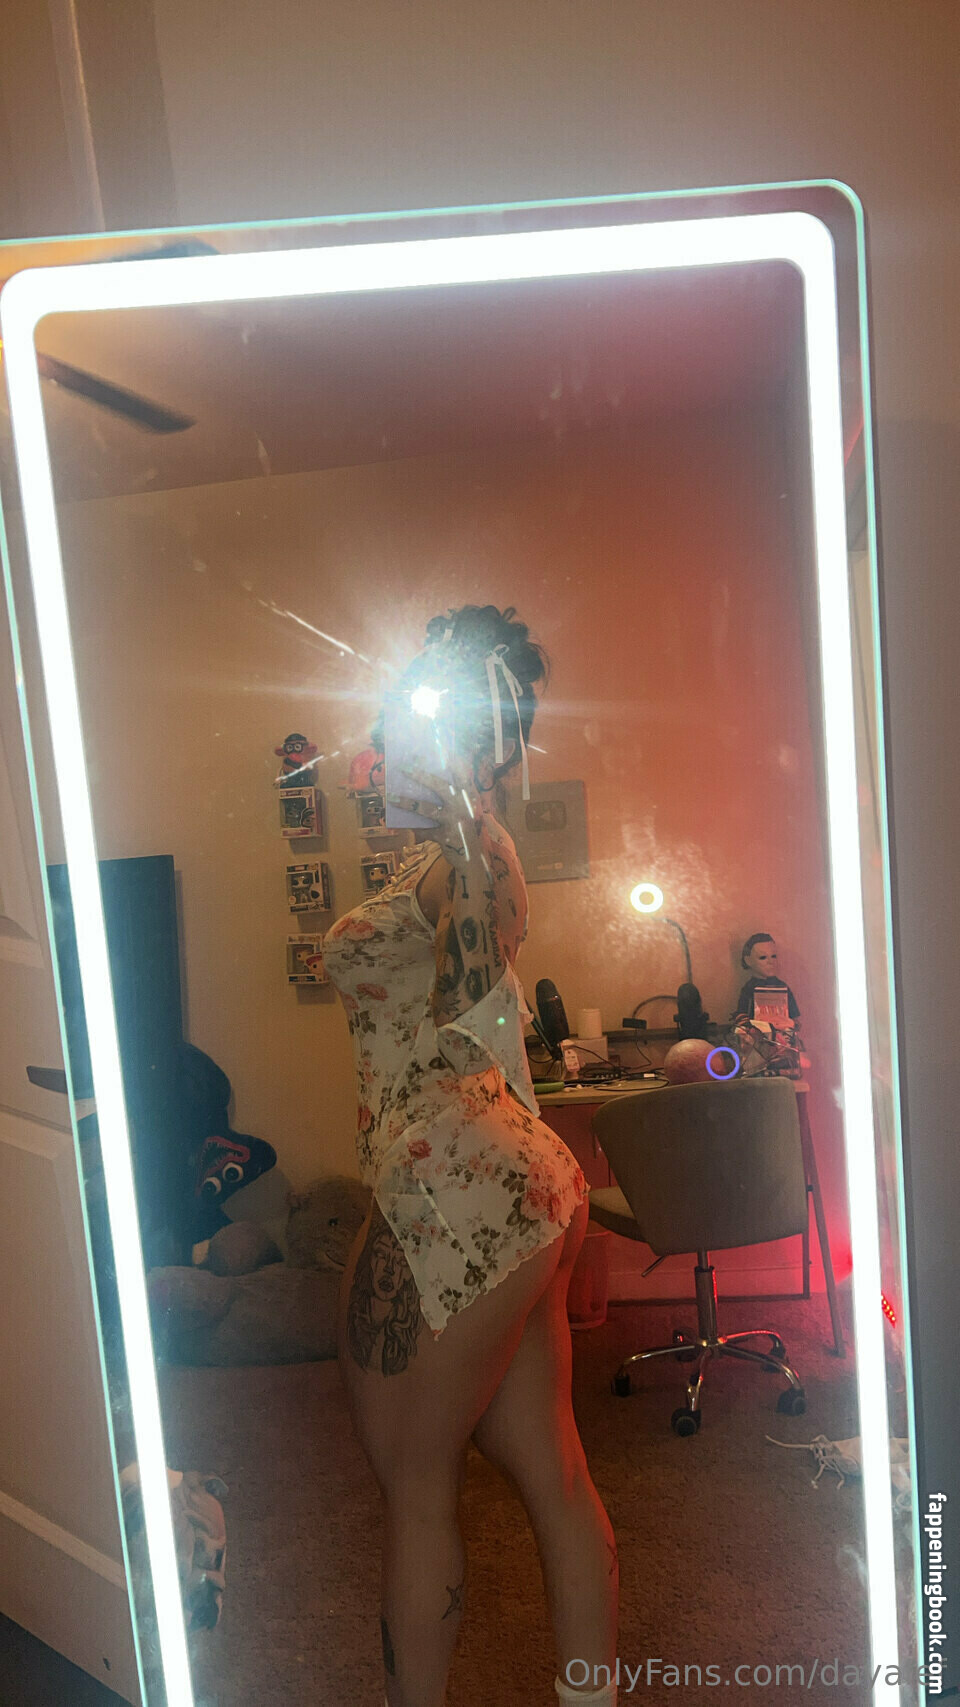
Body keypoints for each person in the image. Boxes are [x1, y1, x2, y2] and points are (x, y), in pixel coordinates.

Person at [323, 605, 619, 1707]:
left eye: (406, 726)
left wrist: (460, 812)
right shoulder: (450, 852)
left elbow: (468, 990)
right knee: (556, 1472)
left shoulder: (472, 850)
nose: (384, 745)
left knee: (415, 1489)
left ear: (476, 741)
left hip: (453, 1185)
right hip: (516, 1179)